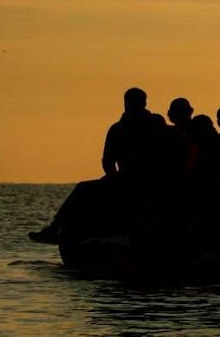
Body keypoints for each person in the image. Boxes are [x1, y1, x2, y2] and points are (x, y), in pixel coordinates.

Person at [29, 87, 161, 244]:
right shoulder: (118, 129)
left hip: (148, 180)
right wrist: (114, 177)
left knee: (83, 188)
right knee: (83, 188)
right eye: (130, 103)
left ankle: (55, 228)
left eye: (135, 103)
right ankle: (56, 228)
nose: (131, 106)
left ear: (142, 103)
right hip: (124, 179)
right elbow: (108, 161)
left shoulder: (153, 125)